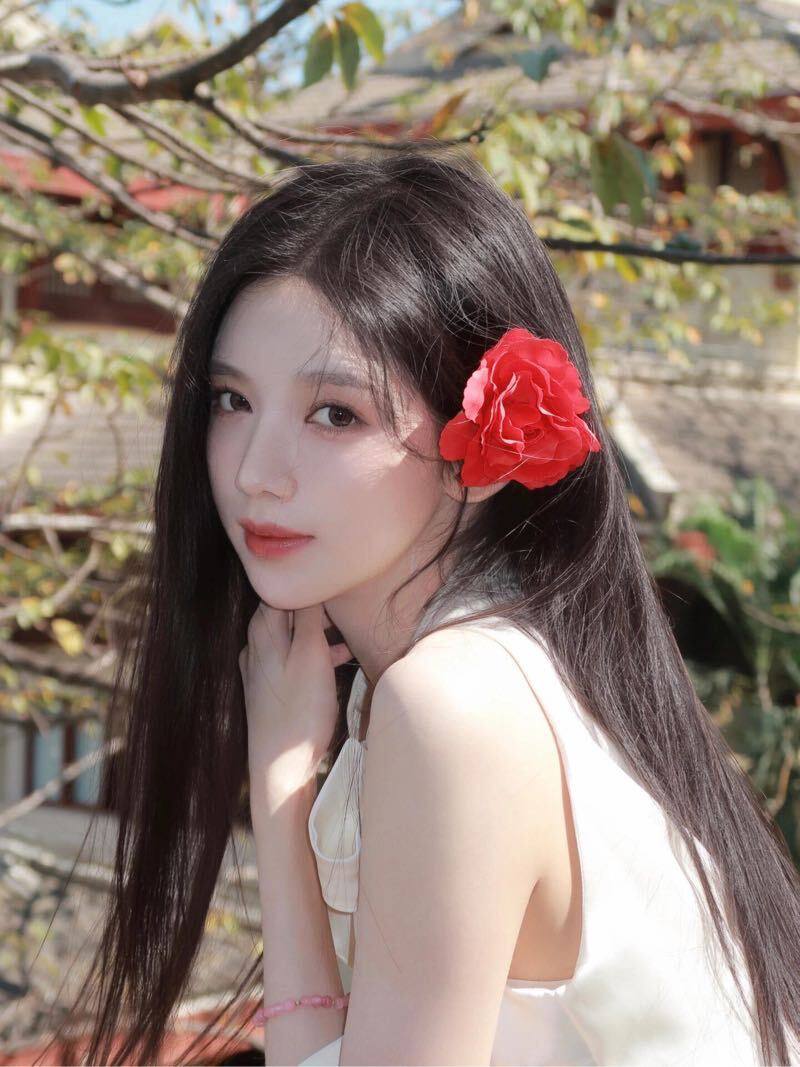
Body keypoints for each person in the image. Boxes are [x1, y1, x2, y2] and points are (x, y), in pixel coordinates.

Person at [47, 148, 800, 1066]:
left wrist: (280, 790)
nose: (253, 472)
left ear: (481, 449)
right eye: (232, 399)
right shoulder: (499, 666)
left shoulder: (454, 704)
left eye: (336, 414)